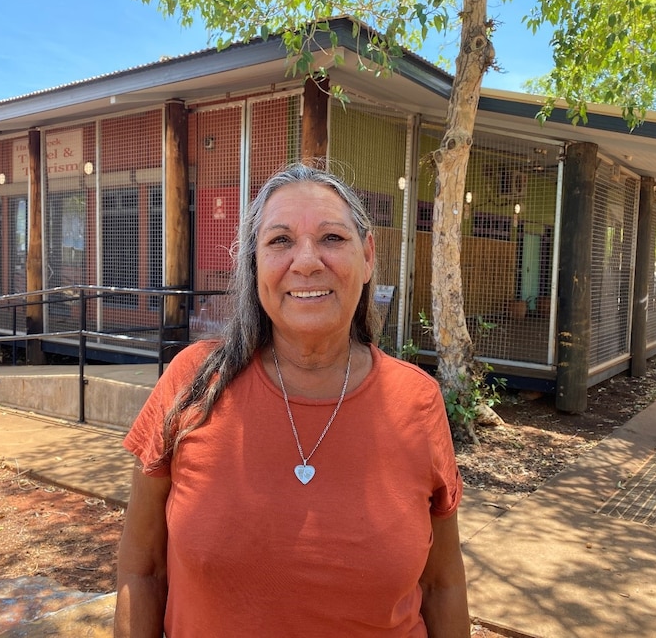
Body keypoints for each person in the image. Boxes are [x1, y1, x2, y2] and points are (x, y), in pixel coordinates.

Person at [114, 163, 469, 637]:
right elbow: (143, 570)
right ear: (255, 263)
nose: (306, 262)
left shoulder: (417, 401)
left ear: (367, 257)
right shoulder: (191, 382)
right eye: (280, 241)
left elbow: (443, 584)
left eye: (332, 239)